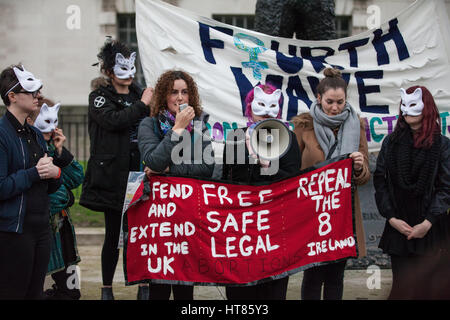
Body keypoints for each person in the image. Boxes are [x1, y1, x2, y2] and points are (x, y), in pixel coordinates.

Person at [79, 39, 154, 300]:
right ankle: (106, 287)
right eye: (121, 69)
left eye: (131, 68)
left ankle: (144, 284)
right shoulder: (99, 97)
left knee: (140, 233)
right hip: (112, 176)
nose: (129, 74)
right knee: (113, 234)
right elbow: (114, 121)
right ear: (109, 71)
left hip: (138, 174)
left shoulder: (139, 94)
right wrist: (143, 105)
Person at [292, 67, 370, 300]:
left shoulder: (357, 125)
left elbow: (364, 176)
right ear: (318, 98)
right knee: (313, 275)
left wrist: (358, 167)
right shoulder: (303, 125)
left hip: (343, 213)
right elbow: (293, 171)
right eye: (329, 102)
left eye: (340, 102)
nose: (335, 107)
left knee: (336, 276)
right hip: (312, 213)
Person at [138, 70, 215, 300]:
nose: (180, 98)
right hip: (159, 217)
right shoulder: (148, 125)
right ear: (164, 96)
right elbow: (153, 161)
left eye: (184, 92)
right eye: (174, 92)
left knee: (184, 286)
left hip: (187, 215)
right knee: (159, 286)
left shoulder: (200, 125)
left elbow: (206, 169)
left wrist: (171, 169)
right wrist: (177, 129)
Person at [221, 83, 302, 300]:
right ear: (250, 107)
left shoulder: (289, 140)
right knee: (241, 292)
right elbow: (226, 181)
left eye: (271, 106)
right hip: (241, 229)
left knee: (272, 289)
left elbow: (293, 179)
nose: (265, 112)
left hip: (274, 228)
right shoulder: (236, 138)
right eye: (260, 106)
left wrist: (267, 166)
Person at [373, 85, 450, 299]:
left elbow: (446, 186)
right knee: (403, 289)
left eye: (413, 105)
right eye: (404, 106)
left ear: (427, 108)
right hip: (400, 229)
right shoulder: (391, 142)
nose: (407, 111)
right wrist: (391, 218)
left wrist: (428, 222)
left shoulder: (443, 145)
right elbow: (381, 181)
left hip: (432, 231)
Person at [0, 65, 62, 299]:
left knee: (35, 293)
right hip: (13, 231)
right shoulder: (2, 134)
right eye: (30, 91)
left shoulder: (35, 134)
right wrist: (33, 174)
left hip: (41, 229)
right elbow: (2, 186)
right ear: (12, 96)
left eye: (38, 91)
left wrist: (56, 173)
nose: (37, 96)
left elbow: (51, 183)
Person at [27, 98, 85, 300]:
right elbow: (56, 194)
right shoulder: (29, 152)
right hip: (45, 229)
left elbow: (77, 177)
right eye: (44, 127)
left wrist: (61, 152)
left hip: (63, 230)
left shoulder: (52, 149)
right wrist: (66, 195)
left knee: (72, 289)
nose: (50, 132)